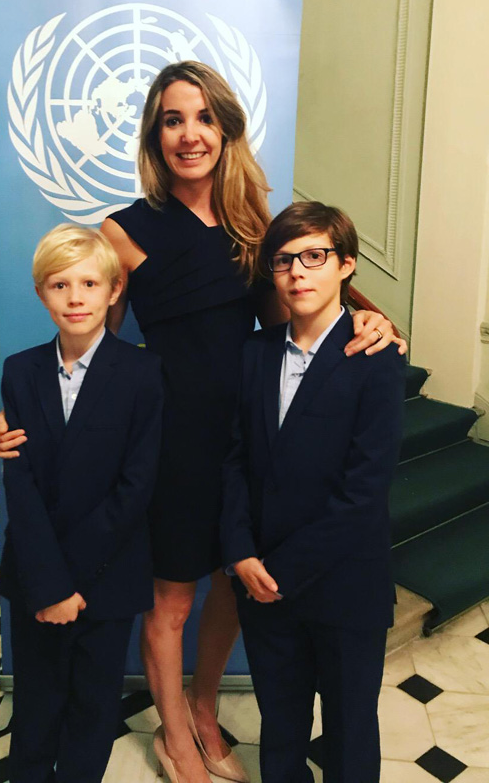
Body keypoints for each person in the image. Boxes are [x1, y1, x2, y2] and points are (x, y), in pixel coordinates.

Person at [0, 62, 405, 783]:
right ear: (155, 135)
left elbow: (295, 312)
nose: (190, 134)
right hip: (171, 440)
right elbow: (94, 349)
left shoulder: (255, 223)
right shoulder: (124, 230)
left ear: (225, 129)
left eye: (204, 117)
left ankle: (206, 707)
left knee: (236, 587)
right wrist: (25, 408)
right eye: (173, 120)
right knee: (173, 599)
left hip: (252, 434)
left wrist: (370, 317)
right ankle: (174, 736)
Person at [221, 201, 405, 783]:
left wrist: (280, 572)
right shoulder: (253, 354)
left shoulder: (377, 358)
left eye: (314, 256)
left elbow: (365, 489)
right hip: (261, 580)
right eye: (283, 261)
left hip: (344, 583)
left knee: (351, 729)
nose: (298, 271)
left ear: (346, 265)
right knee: (280, 724)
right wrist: (241, 553)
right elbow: (233, 461)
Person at [0, 224, 163, 783]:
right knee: (38, 697)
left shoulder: (143, 373)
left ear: (114, 291)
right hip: (36, 574)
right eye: (59, 284)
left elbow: (136, 487)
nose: (75, 297)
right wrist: (49, 583)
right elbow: (19, 484)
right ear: (41, 293)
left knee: (94, 702)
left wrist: (73, 583)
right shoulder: (20, 371)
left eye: (90, 283)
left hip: (105, 574)